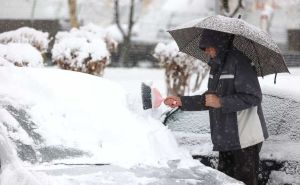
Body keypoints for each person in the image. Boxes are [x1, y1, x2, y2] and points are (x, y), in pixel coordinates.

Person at [164, 29, 268, 185]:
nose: (206, 51)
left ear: (220, 44)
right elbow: (209, 98)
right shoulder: (216, 66)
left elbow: (253, 97)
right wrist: (182, 101)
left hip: (244, 139)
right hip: (225, 138)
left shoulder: (240, 62)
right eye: (203, 48)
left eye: (208, 47)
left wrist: (222, 102)